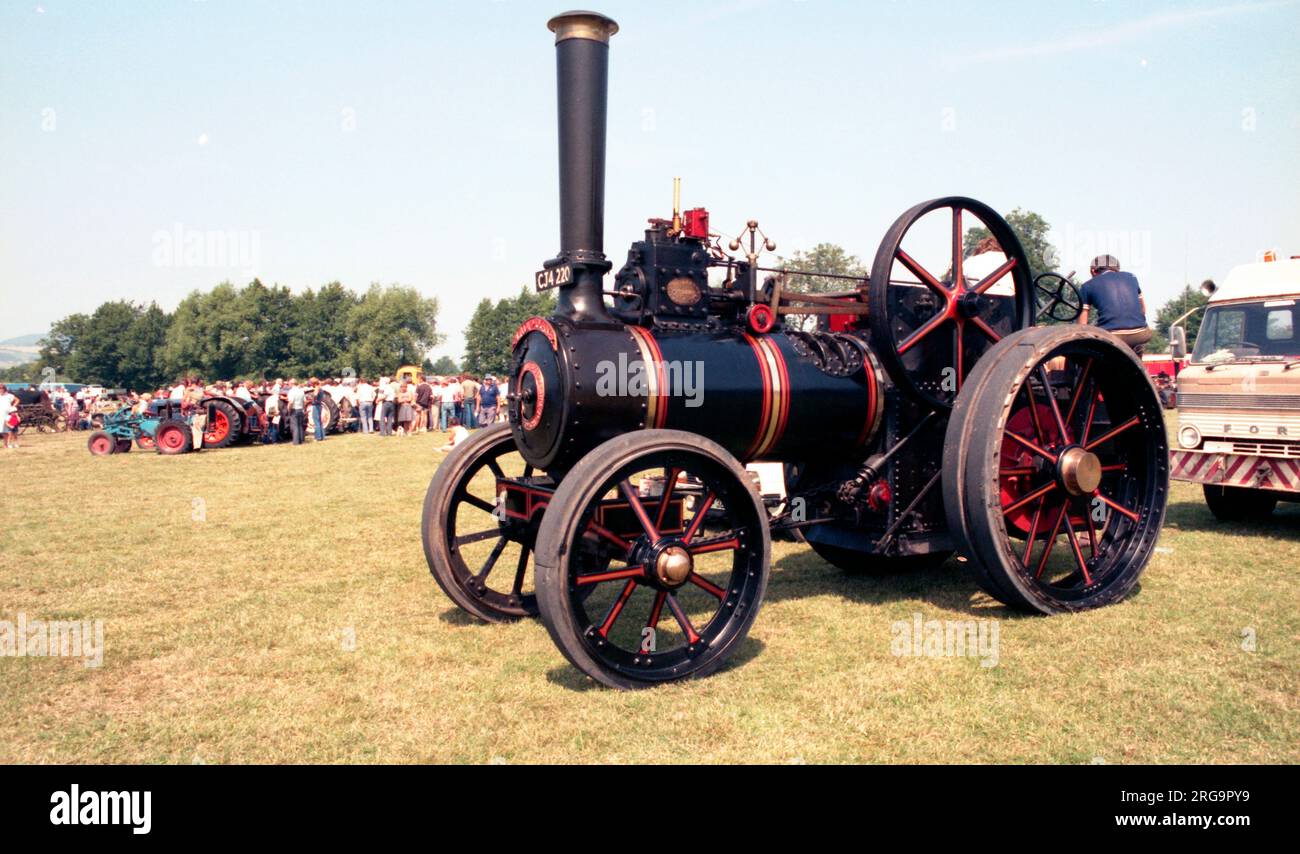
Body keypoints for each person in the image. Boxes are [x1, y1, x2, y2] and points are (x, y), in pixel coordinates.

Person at [1078, 254, 1153, 353]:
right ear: (1117, 269)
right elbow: (1143, 310)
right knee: (1137, 345)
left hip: (1112, 336)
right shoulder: (1132, 277)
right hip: (1141, 333)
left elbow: (1082, 325)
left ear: (1093, 270)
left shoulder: (1087, 286)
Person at [286, 379, 307, 445]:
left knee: (295, 426)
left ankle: (296, 441)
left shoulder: (291, 391)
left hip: (294, 409)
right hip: (300, 409)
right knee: (300, 425)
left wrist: (288, 409)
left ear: (292, 384)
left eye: (289, 384)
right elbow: (305, 401)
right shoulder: (301, 391)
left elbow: (291, 402)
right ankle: (301, 440)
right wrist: (304, 408)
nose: (288, 385)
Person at [0, 385, 19, 450]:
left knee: (5, 431)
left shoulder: (9, 395)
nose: (0, 390)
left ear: (4, 389)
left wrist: (12, 407)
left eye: (1, 388)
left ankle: (6, 444)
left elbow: (17, 400)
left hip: (7, 415)